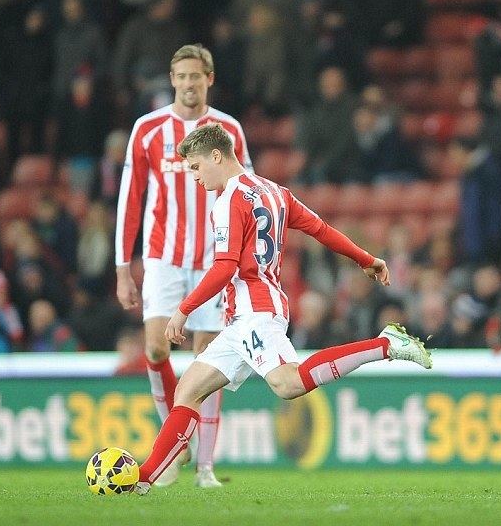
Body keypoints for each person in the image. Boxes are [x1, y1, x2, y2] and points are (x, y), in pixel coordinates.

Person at [132, 123, 431, 494]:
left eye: (195, 167)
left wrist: (183, 310)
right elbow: (320, 229)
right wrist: (366, 258)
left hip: (254, 310)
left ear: (216, 156)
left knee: (287, 383)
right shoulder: (275, 191)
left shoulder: (228, 200)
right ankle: (143, 480)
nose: (193, 177)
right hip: (247, 314)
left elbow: (225, 266)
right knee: (189, 390)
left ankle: (385, 345)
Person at [115, 44, 252, 488]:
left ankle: (205, 468)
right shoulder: (148, 129)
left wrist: (247, 259)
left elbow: (246, 192)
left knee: (206, 363)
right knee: (156, 349)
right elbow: (129, 198)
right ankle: (176, 445)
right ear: (171, 80)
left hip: (215, 261)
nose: (189, 84)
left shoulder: (228, 129)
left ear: (209, 78)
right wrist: (122, 267)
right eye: (181, 76)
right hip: (162, 259)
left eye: (196, 76)